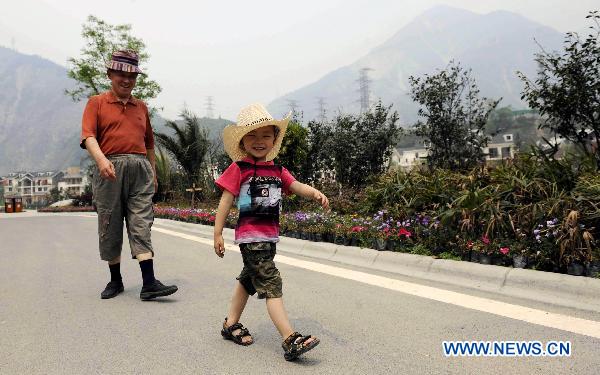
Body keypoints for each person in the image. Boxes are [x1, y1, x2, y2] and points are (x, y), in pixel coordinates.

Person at [213, 103, 329, 361]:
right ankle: (290, 338)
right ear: (243, 141)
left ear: (274, 139)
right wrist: (217, 233)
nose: (259, 141)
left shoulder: (277, 170)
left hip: (268, 239)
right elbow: (225, 200)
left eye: (266, 135)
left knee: (248, 279)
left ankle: (230, 323)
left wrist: (314, 193)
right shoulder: (239, 169)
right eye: (252, 136)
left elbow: (296, 185)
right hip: (251, 238)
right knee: (270, 282)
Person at [80, 50, 178, 300]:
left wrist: (153, 173)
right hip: (109, 169)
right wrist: (101, 159)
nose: (126, 80)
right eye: (121, 75)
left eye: (132, 76)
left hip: (140, 170)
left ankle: (149, 283)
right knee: (110, 222)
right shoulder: (97, 103)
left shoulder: (141, 107)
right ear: (110, 74)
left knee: (141, 222)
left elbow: (149, 145)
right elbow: (88, 136)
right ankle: (115, 280)